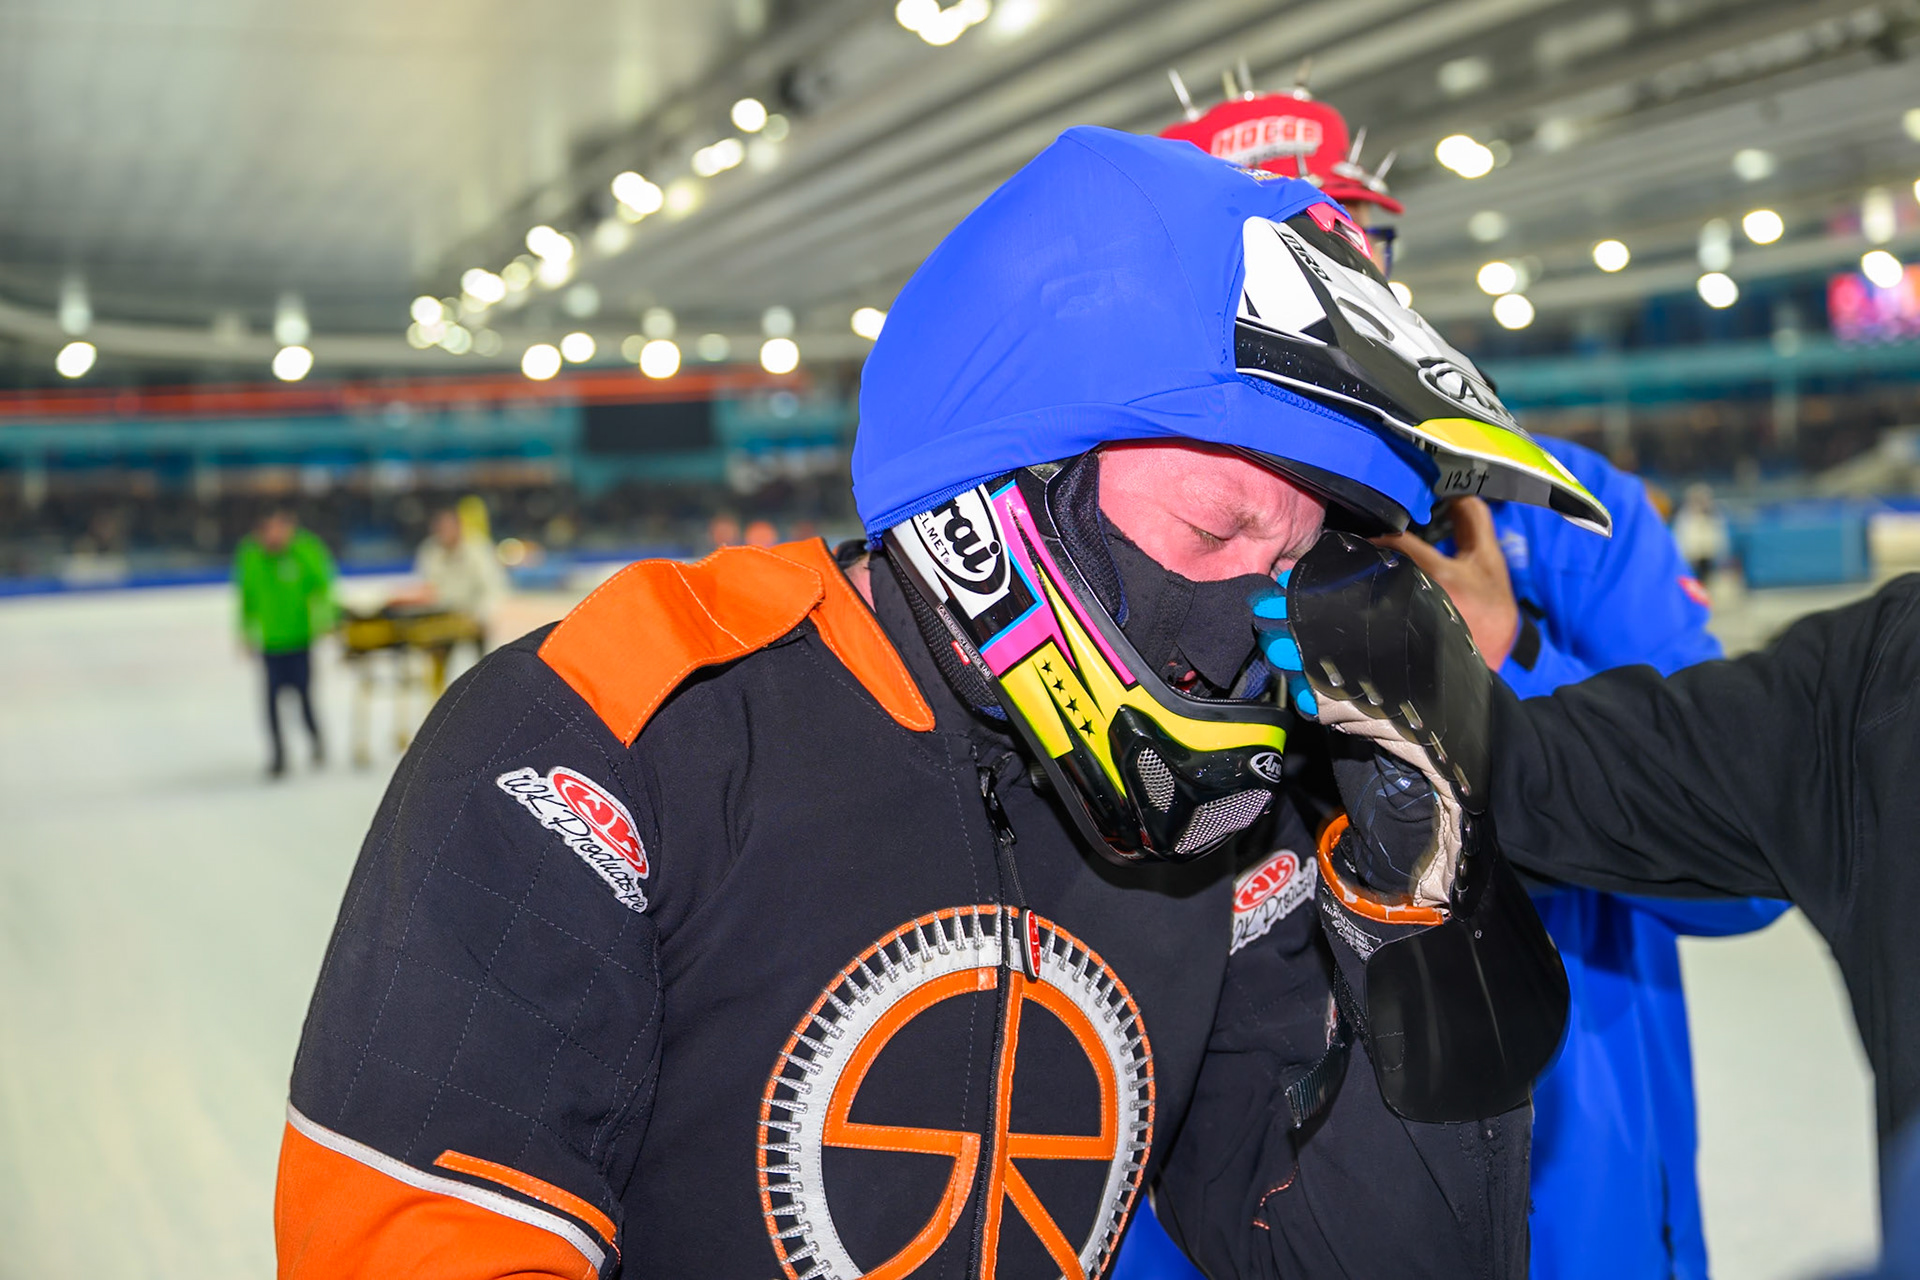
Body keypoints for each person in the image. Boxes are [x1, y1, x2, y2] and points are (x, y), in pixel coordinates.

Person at [274, 128, 1602, 1277]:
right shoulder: (617, 735)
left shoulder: (1229, 831)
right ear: (1007, 478)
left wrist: (1427, 914)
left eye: (1298, 562)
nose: (1264, 621)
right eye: (1213, 531)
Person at [1139, 76, 1783, 1280]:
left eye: (1358, 253)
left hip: (1591, 1229)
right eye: (1292, 264)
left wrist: (1503, 661)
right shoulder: (1129, 556)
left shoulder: (1564, 519)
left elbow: (1749, 865)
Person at [1279, 546, 1920, 1224]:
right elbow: (1558, 776)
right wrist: (1436, 684)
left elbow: (1739, 909)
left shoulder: (1590, 525)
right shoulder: (1886, 680)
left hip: (1594, 1137)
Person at [234, 507, 335, 777]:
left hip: (300, 639)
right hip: (271, 643)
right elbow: (245, 597)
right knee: (270, 702)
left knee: (305, 697)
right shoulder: (250, 555)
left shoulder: (306, 550)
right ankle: (278, 755)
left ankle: (316, 740)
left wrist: (324, 620)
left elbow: (324, 586)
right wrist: (244, 632)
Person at [414, 506, 508, 651]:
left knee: (482, 659)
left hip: (474, 614)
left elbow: (492, 587)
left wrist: (481, 616)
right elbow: (428, 588)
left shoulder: (478, 549)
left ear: (459, 527)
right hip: (442, 617)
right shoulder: (430, 550)